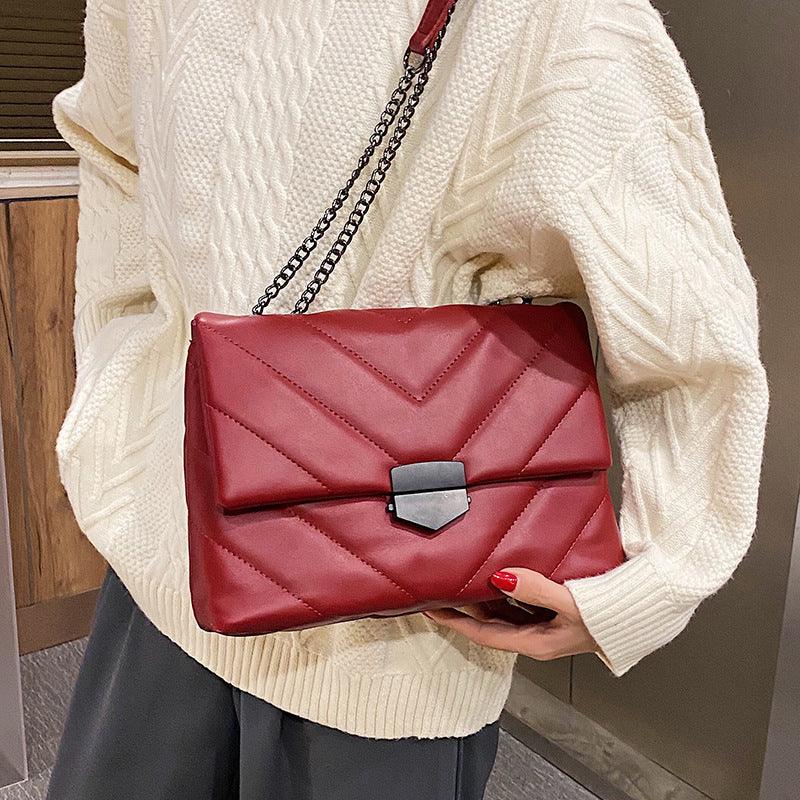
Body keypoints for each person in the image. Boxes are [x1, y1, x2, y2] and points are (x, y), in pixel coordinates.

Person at [46, 0, 769, 798]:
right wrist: (117, 385)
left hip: (396, 654)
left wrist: (655, 579)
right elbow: (111, 150)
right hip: (162, 570)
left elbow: (689, 326)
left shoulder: (554, 18)